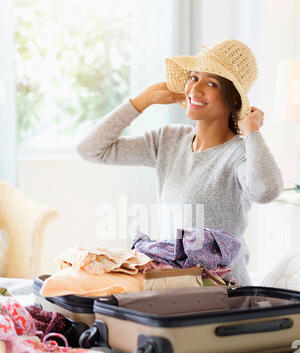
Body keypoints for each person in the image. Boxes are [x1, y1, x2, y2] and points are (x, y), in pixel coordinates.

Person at [76, 38, 283, 286]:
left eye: (211, 82)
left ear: (234, 99)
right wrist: (142, 101)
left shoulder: (238, 153)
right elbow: (91, 149)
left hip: (223, 292)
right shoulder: (168, 140)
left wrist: (252, 132)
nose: (195, 89)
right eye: (193, 77)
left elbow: (267, 190)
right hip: (176, 287)